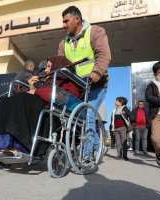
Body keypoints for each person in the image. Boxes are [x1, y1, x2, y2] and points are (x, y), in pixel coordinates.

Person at [56, 6, 111, 161]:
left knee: (89, 115)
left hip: (96, 83)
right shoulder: (63, 43)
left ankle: (86, 156)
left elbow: (104, 54)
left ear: (77, 19)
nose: (63, 24)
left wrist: (97, 71)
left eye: (66, 21)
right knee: (78, 118)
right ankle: (98, 147)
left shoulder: (95, 32)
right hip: (77, 86)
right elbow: (62, 65)